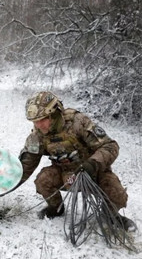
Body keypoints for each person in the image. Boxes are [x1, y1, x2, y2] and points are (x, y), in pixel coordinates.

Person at [19, 91, 136, 232]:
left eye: (42, 119)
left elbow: (110, 146)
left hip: (93, 172)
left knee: (116, 193)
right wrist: (4, 186)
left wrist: (92, 164)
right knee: (43, 180)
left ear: (54, 114)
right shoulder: (37, 135)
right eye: (35, 121)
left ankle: (111, 216)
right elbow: (26, 165)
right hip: (65, 175)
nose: (38, 125)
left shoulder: (77, 122)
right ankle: (56, 208)